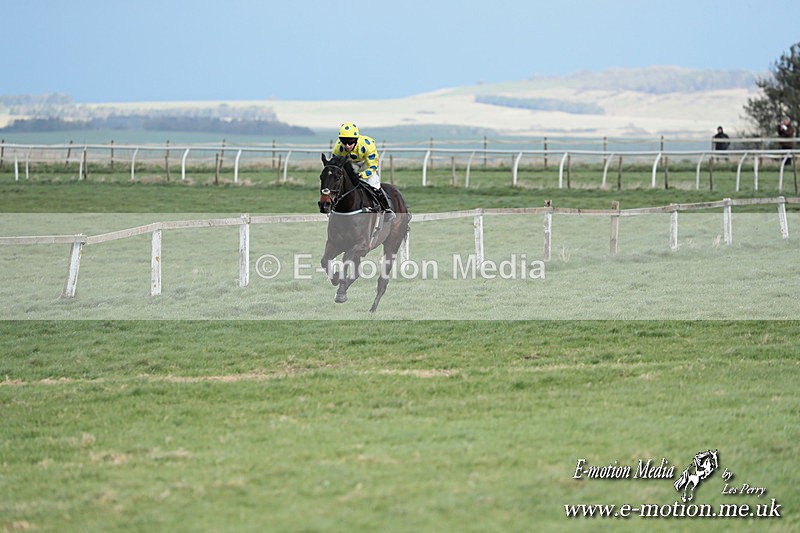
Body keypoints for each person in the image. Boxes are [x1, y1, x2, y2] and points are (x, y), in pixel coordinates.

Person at [332, 122, 394, 215]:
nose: (347, 146)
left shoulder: (367, 145)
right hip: (351, 163)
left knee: (374, 184)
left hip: (366, 163)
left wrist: (361, 175)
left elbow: (372, 166)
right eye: (344, 142)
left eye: (350, 142)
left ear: (356, 140)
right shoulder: (338, 148)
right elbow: (336, 167)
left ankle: (386, 208)